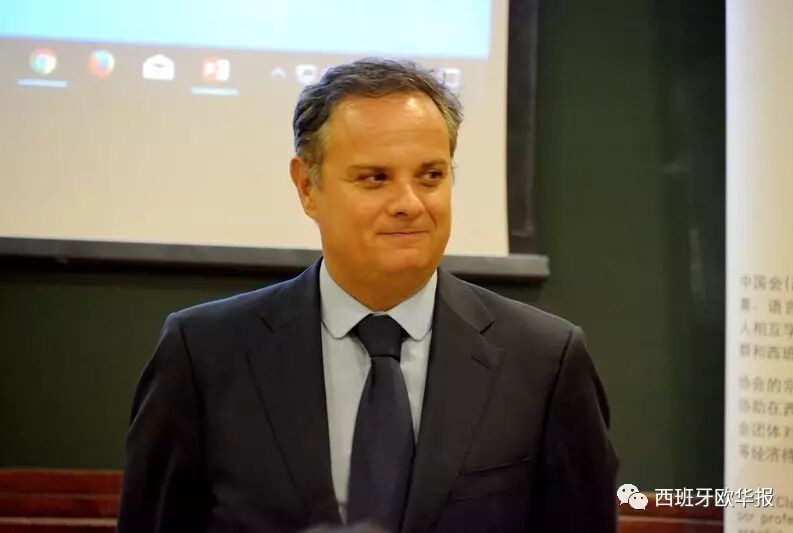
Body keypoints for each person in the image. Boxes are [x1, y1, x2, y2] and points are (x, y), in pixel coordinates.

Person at [118, 58, 618, 533]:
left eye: (431, 176)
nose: (409, 203)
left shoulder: (544, 360)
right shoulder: (203, 354)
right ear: (307, 186)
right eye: (375, 178)